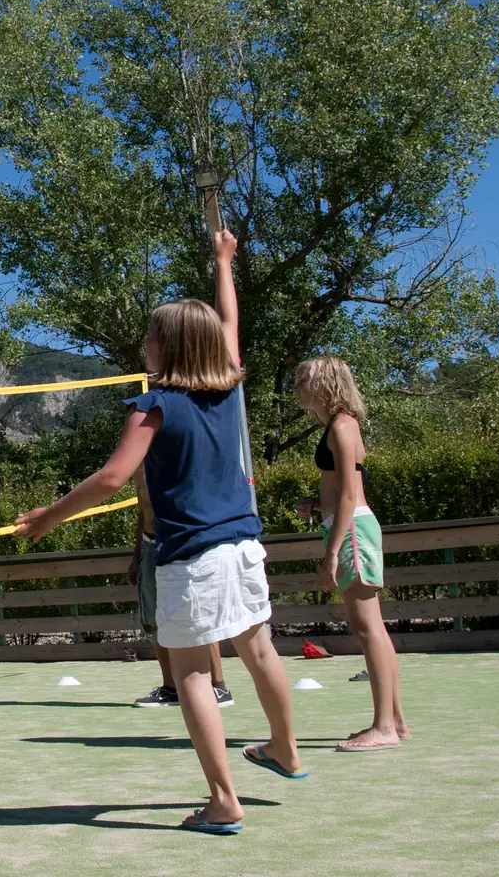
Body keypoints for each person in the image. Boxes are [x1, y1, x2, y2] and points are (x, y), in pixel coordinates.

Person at [15, 229, 303, 834]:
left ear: (166, 346)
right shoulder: (227, 387)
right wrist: (224, 264)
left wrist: (47, 517)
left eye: (149, 334)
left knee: (194, 673)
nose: (142, 343)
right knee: (258, 649)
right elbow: (229, 326)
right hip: (245, 544)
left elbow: (114, 477)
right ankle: (286, 748)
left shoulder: (154, 406)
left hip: (192, 556)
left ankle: (224, 802)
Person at [296, 355, 408, 751]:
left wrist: (333, 551)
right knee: (373, 628)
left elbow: (348, 494)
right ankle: (394, 720)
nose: (296, 388)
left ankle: (383, 729)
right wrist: (315, 501)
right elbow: (342, 487)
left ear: (324, 383)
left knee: (367, 629)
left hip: (353, 532)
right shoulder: (336, 426)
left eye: (302, 380)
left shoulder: (343, 426)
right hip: (349, 527)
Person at [129, 475, 234, 710]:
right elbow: (143, 509)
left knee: (197, 612)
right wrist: (137, 556)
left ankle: (218, 685)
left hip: (181, 541)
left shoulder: (172, 449)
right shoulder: (135, 459)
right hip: (150, 543)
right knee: (155, 617)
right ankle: (170, 688)